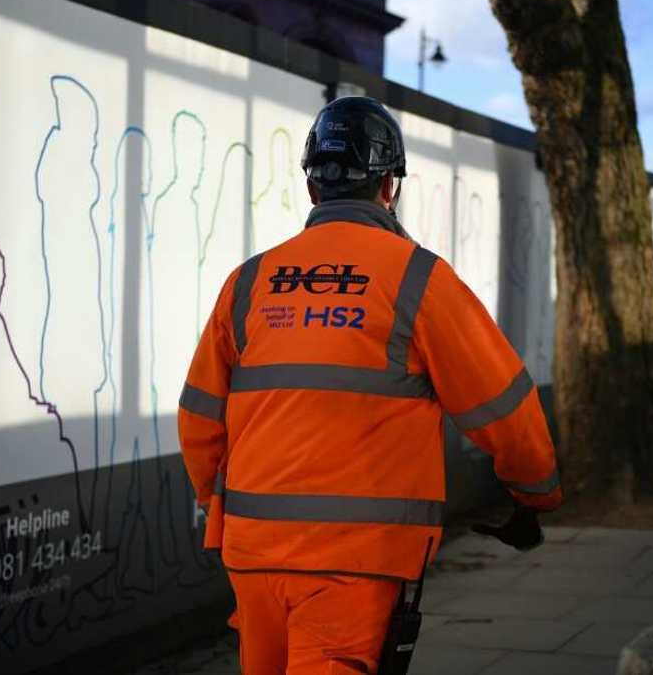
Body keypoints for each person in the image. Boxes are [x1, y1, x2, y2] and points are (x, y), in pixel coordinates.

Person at [178, 97, 562, 674]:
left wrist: (222, 506)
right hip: (354, 559)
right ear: (390, 187)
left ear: (312, 189)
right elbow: (503, 406)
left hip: (254, 556)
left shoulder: (250, 282)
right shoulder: (417, 278)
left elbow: (199, 418)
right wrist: (535, 494)